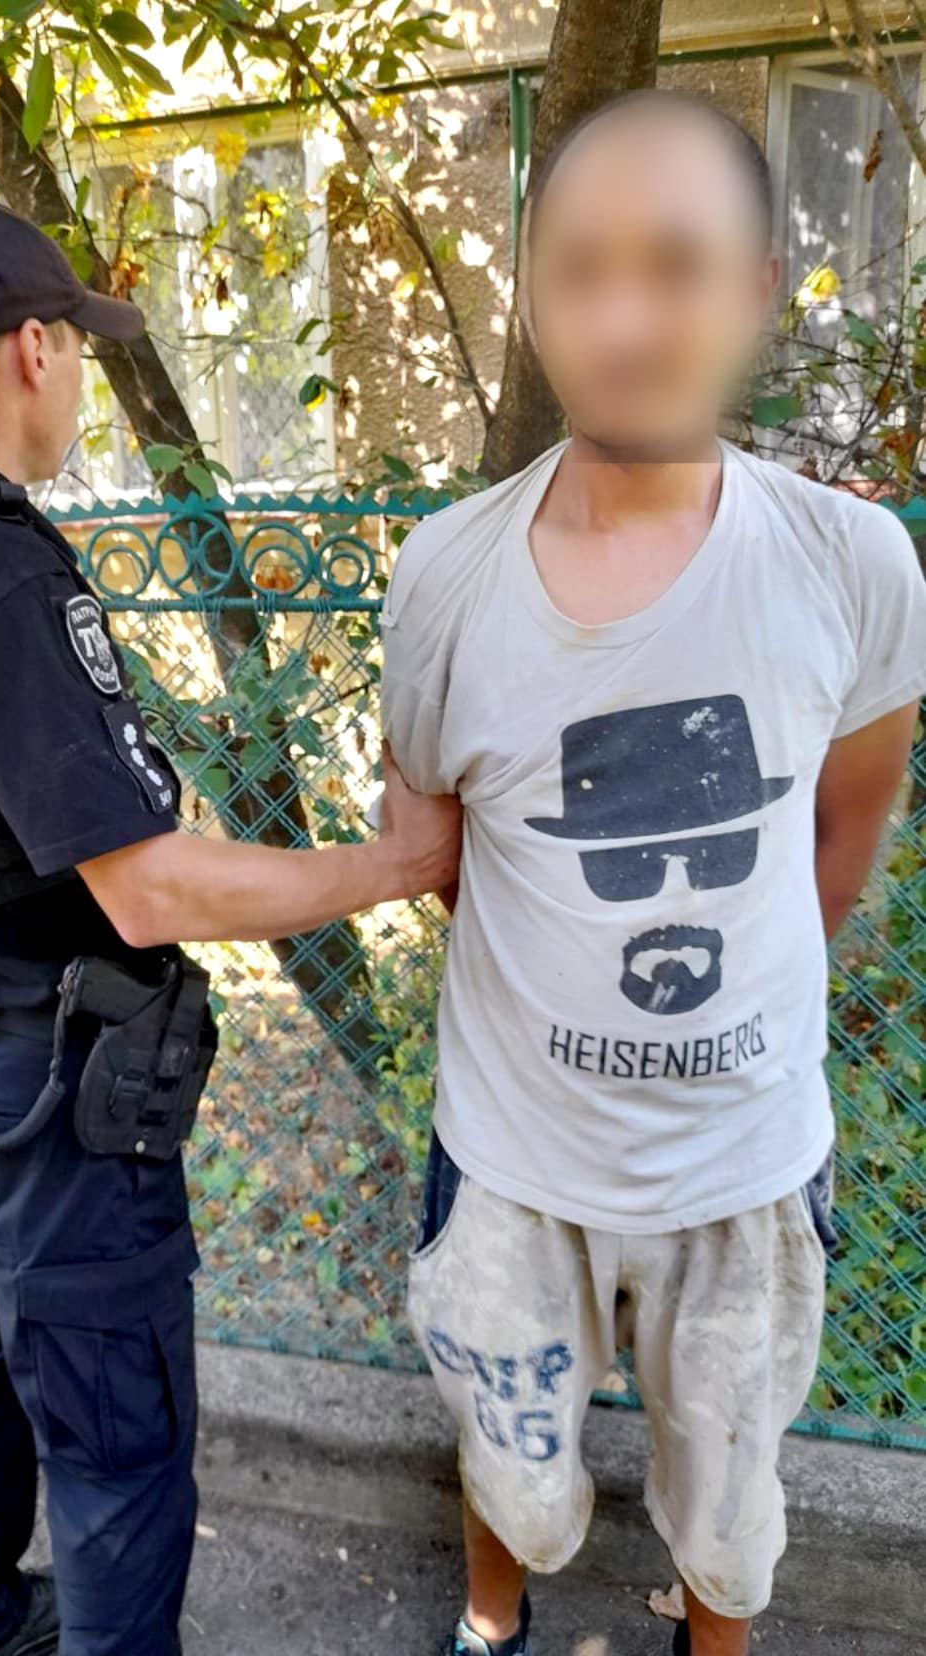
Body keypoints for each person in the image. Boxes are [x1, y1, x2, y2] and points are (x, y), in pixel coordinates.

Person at [0, 197, 461, 1656]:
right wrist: (396, 865)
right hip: (44, 1084)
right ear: (32, 348)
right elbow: (151, 886)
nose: (77, 374)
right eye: (75, 345)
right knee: (115, 1451)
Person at [380, 91, 926, 1656]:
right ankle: (491, 1626)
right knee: (506, 1448)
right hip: (510, 1161)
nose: (624, 319)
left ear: (751, 290)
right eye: (580, 270)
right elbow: (437, 850)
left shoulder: (851, 565)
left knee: (730, 1498)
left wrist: (723, 1008)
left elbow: (837, 838)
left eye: (674, 266)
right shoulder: (444, 575)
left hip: (744, 1165)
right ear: (532, 294)